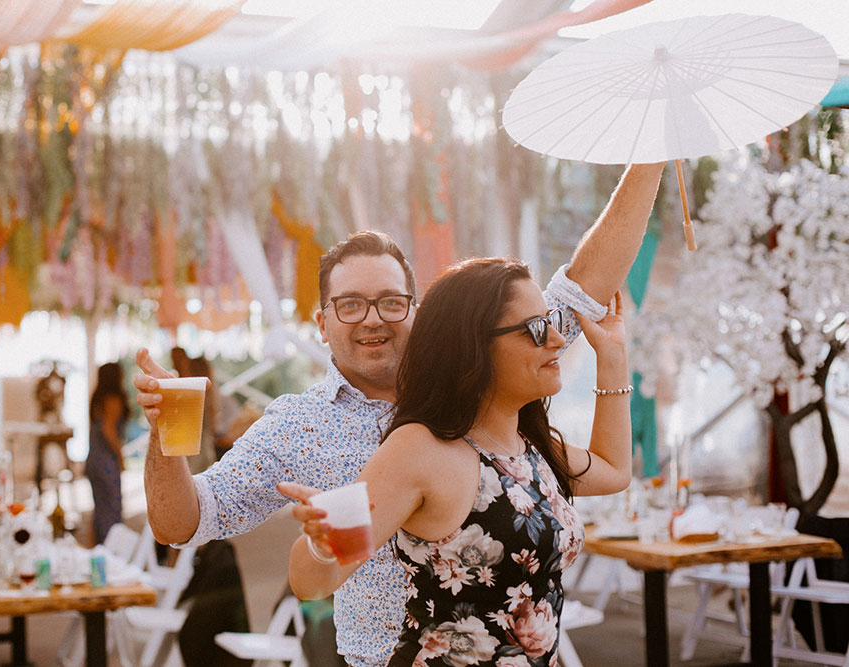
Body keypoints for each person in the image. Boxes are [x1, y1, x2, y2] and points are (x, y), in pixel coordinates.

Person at [135, 163, 664, 666]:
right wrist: (166, 435)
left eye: (391, 301)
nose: (372, 319)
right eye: (350, 305)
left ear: (416, 310)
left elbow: (583, 287)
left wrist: (650, 156)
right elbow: (184, 521)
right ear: (322, 322)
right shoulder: (299, 425)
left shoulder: (483, 391)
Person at [279, 257, 630, 665]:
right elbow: (313, 584)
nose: (555, 339)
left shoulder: (526, 447)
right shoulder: (421, 450)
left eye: (550, 320)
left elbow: (614, 470)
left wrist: (613, 357)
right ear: (473, 346)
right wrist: (323, 545)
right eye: (535, 328)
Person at [86, 361, 129, 544]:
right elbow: (108, 429)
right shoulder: (113, 398)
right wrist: (120, 457)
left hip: (93, 459)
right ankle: (112, 548)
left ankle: (99, 546)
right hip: (106, 461)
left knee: (100, 507)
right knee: (112, 506)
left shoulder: (97, 399)